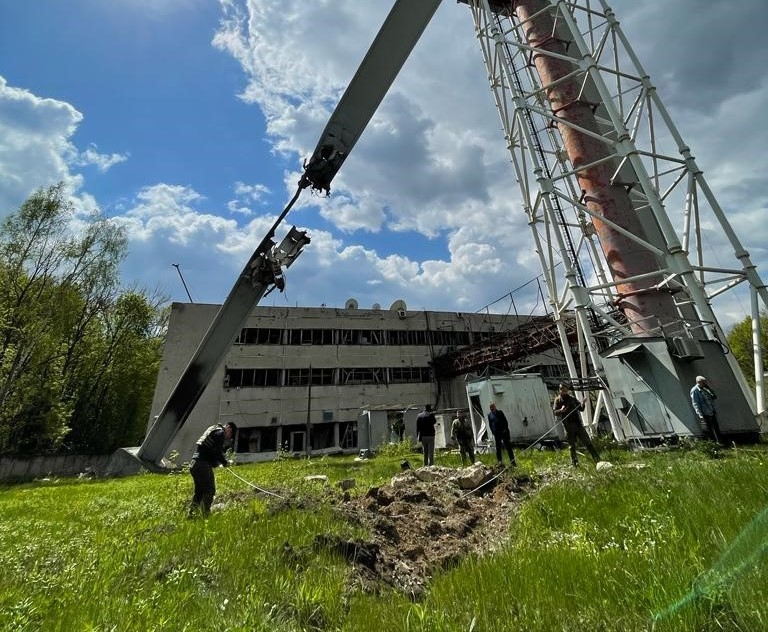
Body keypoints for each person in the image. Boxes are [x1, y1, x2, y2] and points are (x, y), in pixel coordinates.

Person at [189, 421, 237, 517]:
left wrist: (217, 463)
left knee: (199, 491)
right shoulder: (220, 433)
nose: (228, 437)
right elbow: (216, 452)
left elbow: (209, 449)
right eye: (230, 435)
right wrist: (225, 462)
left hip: (194, 463)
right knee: (209, 490)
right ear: (229, 428)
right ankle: (205, 514)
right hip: (202, 464)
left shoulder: (213, 429)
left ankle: (192, 514)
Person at [553, 384, 600, 467]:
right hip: (568, 426)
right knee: (572, 446)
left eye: (566, 390)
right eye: (563, 390)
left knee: (587, 442)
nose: (565, 392)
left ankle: (597, 459)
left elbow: (581, 409)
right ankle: (575, 463)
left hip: (578, 424)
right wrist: (561, 410)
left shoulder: (572, 399)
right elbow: (555, 412)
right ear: (560, 390)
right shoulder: (558, 400)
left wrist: (583, 403)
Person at [690, 375, 722, 443]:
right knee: (708, 430)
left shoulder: (705, 389)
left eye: (705, 382)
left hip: (711, 411)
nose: (705, 383)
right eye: (703, 382)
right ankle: (712, 444)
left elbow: (714, 396)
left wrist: (709, 388)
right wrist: (700, 415)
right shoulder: (695, 390)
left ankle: (719, 442)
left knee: (716, 428)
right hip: (705, 413)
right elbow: (695, 404)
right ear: (698, 382)